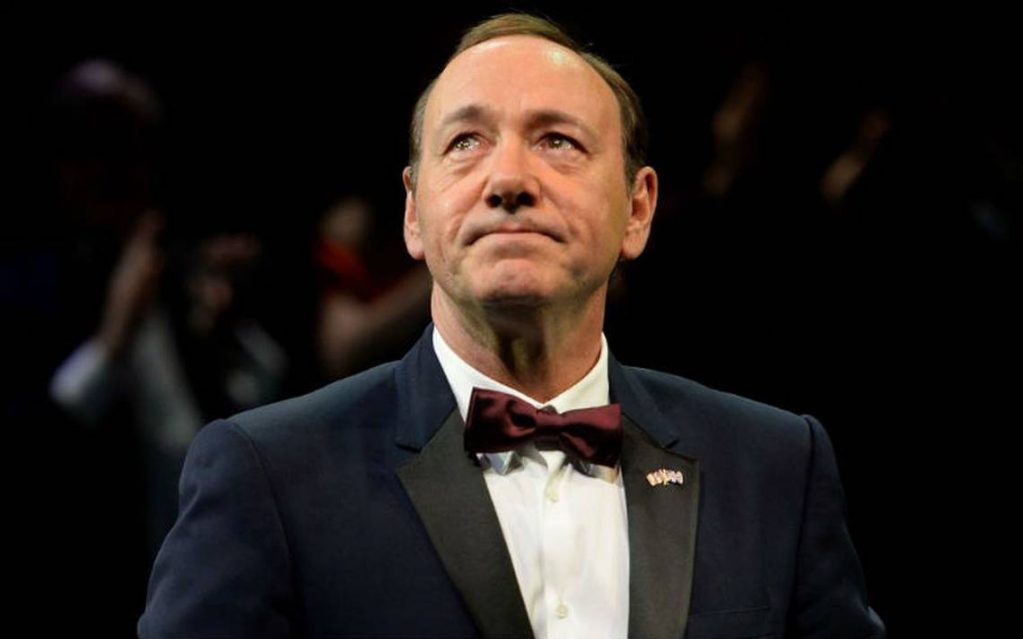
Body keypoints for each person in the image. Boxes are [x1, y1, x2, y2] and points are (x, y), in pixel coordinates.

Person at [139, 13, 885, 639]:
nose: (508, 181)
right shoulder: (268, 475)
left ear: (637, 208)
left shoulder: (775, 466)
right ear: (413, 212)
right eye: (465, 142)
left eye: (557, 140)